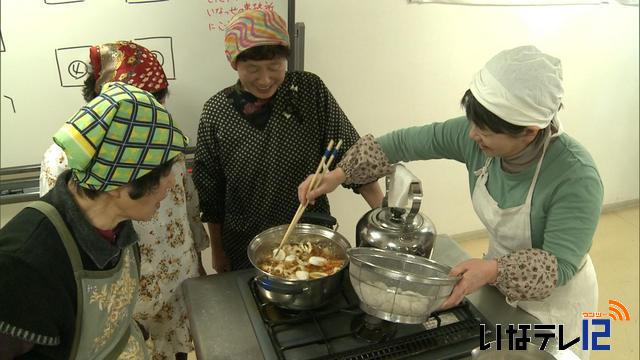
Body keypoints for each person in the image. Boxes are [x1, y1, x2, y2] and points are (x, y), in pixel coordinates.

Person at [298, 46, 602, 360]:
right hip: (496, 280)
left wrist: (494, 270)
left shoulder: (576, 176)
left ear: (528, 132)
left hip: (553, 303)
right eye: (472, 122)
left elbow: (560, 265)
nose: (472, 135)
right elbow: (402, 143)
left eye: (484, 131)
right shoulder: (478, 138)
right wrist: (338, 174)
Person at [38, 41, 208, 360]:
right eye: (142, 106)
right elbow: (58, 239)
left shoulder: (164, 138)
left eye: (158, 103)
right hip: (113, 296)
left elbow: (189, 205)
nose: (152, 117)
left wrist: (198, 259)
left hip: (175, 281)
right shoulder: (64, 158)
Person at [0, 82, 188, 359]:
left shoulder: (116, 225)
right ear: (118, 184)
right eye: (164, 172)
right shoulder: (22, 266)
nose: (171, 182)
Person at [193, 9, 382, 272]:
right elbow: (210, 193)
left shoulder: (308, 90)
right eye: (252, 69)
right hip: (244, 243)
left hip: (309, 234)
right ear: (234, 63)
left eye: (275, 66)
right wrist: (218, 251)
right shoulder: (217, 111)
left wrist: (385, 217)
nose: (265, 79)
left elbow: (352, 153)